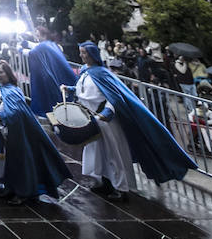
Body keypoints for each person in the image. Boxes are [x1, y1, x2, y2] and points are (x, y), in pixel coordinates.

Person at [68, 42, 195, 200]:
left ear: (92, 55)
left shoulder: (102, 73)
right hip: (91, 120)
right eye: (80, 52)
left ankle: (122, 188)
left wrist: (107, 112)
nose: (81, 55)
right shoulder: (85, 71)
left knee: (113, 155)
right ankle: (104, 182)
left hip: (106, 121)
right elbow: (84, 91)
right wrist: (70, 89)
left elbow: (114, 96)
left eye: (84, 53)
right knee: (97, 154)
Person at [0, 60, 70, 204]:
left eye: (1, 72)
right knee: (8, 163)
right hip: (2, 131)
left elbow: (16, 112)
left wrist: (0, 116)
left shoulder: (12, 90)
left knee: (20, 163)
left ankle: (23, 193)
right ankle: (10, 188)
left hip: (15, 132)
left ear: (8, 73)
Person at [25, 27, 78, 118]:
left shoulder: (44, 46)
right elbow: (38, 47)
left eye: (38, 35)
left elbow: (35, 51)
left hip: (49, 77)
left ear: (44, 35)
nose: (37, 37)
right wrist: (28, 44)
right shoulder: (51, 44)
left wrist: (22, 50)